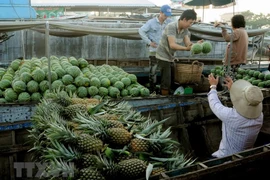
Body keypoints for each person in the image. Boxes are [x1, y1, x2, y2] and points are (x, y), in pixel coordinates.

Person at [207, 73, 264, 158]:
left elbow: (214, 104)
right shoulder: (260, 116)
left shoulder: (231, 116)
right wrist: (233, 91)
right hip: (246, 155)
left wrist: (213, 87)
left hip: (226, 157)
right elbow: (242, 108)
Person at [155, 9, 202, 95]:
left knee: (173, 79)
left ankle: (169, 94)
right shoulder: (171, 27)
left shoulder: (185, 31)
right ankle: (164, 98)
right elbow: (172, 45)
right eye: (190, 22)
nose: (190, 25)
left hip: (171, 56)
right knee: (166, 79)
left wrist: (196, 45)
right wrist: (185, 49)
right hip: (162, 55)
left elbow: (188, 44)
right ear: (184, 19)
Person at [138, 5, 173, 93]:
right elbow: (141, 31)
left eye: (168, 15)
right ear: (160, 13)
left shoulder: (169, 22)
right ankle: (152, 90)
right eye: (165, 15)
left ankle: (164, 90)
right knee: (153, 71)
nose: (166, 17)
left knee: (166, 72)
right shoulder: (151, 22)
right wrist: (149, 42)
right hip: (154, 51)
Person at [215, 15, 248, 80]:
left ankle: (228, 90)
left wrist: (223, 29)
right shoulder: (243, 31)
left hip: (233, 61)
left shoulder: (238, 31)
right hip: (239, 60)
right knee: (234, 78)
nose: (231, 24)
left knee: (228, 79)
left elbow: (227, 38)